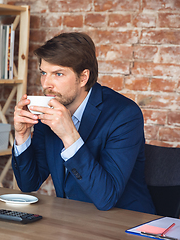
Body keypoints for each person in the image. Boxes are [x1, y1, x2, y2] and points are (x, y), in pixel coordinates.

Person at [12, 32, 155, 214]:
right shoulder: (50, 108)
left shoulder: (124, 115)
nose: (46, 84)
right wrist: (22, 136)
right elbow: (28, 184)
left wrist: (69, 135)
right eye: (44, 73)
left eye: (58, 74)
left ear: (83, 77)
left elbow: (106, 198)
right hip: (72, 220)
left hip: (124, 222)